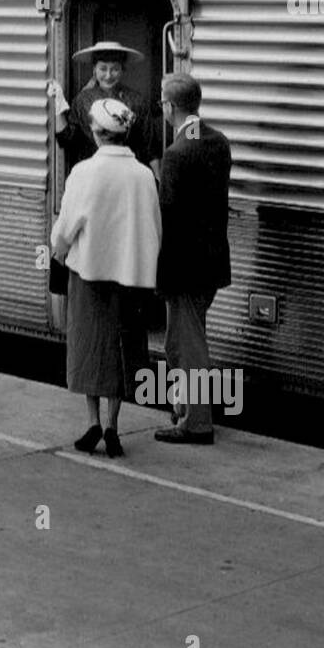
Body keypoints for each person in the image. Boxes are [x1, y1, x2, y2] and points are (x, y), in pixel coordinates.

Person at [51, 98, 161, 457]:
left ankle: (92, 422)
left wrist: (59, 247)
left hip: (89, 276)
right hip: (129, 279)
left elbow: (68, 226)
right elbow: (154, 229)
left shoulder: (84, 172)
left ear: (98, 133)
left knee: (89, 348)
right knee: (121, 349)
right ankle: (114, 426)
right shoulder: (144, 175)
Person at [154, 73, 231, 445]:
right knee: (183, 340)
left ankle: (197, 423)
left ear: (170, 106)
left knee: (189, 347)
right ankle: (184, 406)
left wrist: (161, 276)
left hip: (185, 268)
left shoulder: (176, 154)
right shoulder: (217, 142)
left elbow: (168, 217)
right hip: (212, 262)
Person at [55, 41, 159, 177]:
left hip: (128, 174)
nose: (108, 75)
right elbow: (67, 139)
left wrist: (158, 179)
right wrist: (58, 104)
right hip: (93, 174)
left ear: (122, 70)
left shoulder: (137, 100)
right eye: (103, 69)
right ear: (94, 70)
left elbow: (150, 147)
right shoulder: (82, 100)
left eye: (115, 69)